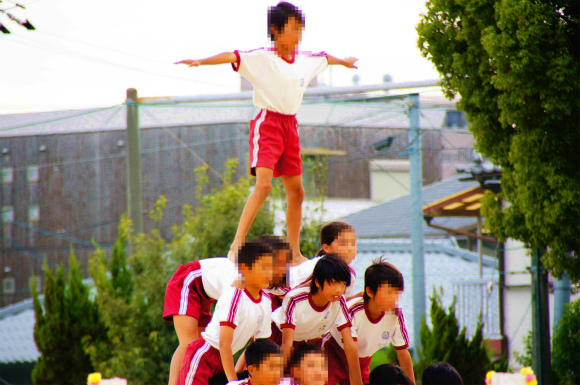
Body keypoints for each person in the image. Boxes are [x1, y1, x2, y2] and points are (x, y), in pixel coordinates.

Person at [174, 2, 358, 264]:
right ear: (276, 29)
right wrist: (200, 62)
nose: (298, 36)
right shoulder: (262, 58)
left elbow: (326, 57)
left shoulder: (305, 61)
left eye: (300, 30)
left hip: (290, 126)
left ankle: (294, 253)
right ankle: (237, 243)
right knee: (263, 185)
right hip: (268, 124)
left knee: (297, 192)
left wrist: (346, 62)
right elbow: (232, 56)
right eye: (293, 29)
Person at [165, 235, 291, 385]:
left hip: (210, 297)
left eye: (274, 266)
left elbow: (259, 346)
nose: (274, 271)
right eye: (267, 266)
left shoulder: (264, 294)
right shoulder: (236, 286)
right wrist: (233, 381)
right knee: (188, 342)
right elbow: (224, 342)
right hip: (190, 281)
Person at [271, 255, 363, 385]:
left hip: (303, 340)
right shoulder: (295, 298)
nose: (339, 289)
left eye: (343, 284)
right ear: (318, 282)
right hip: (277, 337)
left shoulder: (339, 301)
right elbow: (286, 343)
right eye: (334, 282)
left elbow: (349, 343)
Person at [321, 257, 414, 385]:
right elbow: (350, 347)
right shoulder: (354, 310)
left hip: (363, 360)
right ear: (369, 291)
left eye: (397, 292)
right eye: (389, 292)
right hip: (334, 352)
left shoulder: (396, 314)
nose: (394, 298)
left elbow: (403, 352)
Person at [289, 221, 358, 298]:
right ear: (326, 248)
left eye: (353, 243)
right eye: (344, 243)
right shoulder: (320, 268)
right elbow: (291, 293)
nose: (350, 248)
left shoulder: (348, 271)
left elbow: (343, 302)